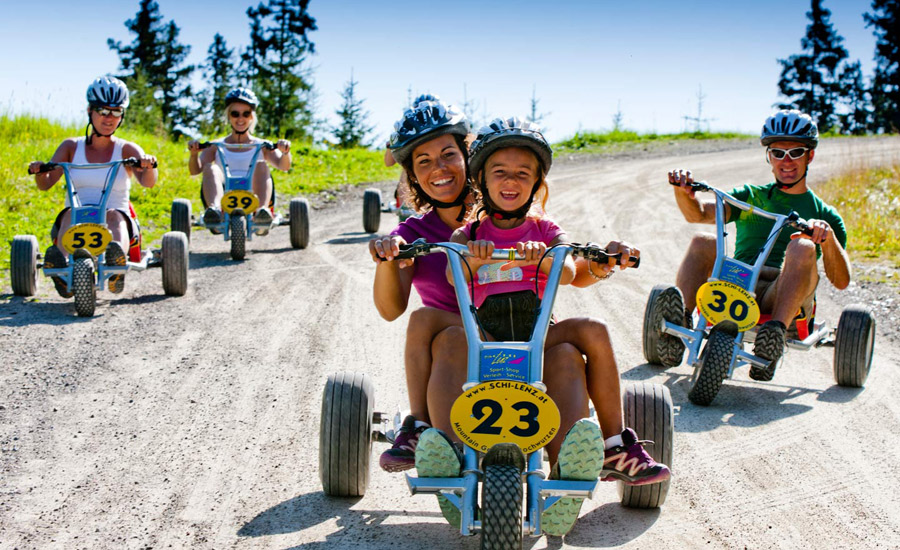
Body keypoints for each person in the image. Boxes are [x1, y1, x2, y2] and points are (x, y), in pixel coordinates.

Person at [665, 109, 850, 381]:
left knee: (802, 247)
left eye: (796, 152)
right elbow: (697, 214)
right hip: (738, 281)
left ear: (810, 155)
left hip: (782, 290)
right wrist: (683, 192)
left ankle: (772, 338)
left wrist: (829, 237)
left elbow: (841, 280)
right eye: (778, 153)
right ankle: (676, 328)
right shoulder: (751, 196)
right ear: (769, 157)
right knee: (703, 241)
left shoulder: (824, 214)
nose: (786, 161)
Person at [29, 76, 158, 296]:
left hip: (116, 217)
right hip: (78, 217)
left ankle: (115, 264)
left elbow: (148, 182)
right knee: (70, 214)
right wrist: (40, 171)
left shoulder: (127, 149)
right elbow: (46, 185)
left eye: (116, 112)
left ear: (122, 116)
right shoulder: (71, 147)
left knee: (114, 216)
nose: (109, 118)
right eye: (103, 111)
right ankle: (62, 272)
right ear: (90, 111)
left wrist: (148, 164)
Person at [187, 88, 292, 234]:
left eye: (246, 114)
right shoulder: (216, 145)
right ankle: (215, 211)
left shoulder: (262, 145)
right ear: (228, 116)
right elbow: (194, 170)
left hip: (255, 194)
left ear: (251, 117)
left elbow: (284, 166)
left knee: (261, 165)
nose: (240, 119)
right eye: (235, 114)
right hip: (224, 195)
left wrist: (285, 152)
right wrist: (193, 154)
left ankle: (262, 212)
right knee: (210, 168)